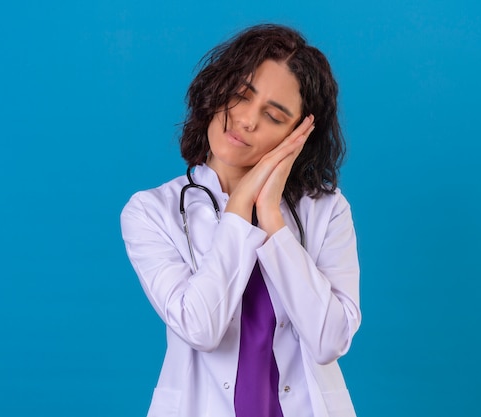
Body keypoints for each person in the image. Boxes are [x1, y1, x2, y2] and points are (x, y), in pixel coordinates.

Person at [121, 23, 361, 417]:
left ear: (298, 135)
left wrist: (271, 218)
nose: (247, 121)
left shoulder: (326, 210)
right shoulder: (151, 212)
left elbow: (328, 340)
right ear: (216, 91)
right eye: (241, 95)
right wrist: (239, 209)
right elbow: (201, 327)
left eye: (274, 115)